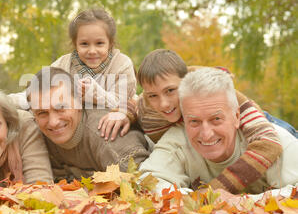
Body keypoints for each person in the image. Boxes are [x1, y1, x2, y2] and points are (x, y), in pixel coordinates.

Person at [112, 49, 286, 194]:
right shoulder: (147, 104)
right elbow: (137, 101)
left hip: (262, 123)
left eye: (171, 91)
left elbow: (269, 143)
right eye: (153, 96)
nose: (164, 103)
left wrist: (216, 191)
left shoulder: (225, 99)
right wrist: (123, 112)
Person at [138, 67, 298, 196]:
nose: (206, 134)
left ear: (236, 116)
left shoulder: (275, 139)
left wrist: (247, 202)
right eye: (194, 121)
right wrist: (198, 199)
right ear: (184, 120)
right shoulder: (177, 138)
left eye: (216, 120)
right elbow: (148, 180)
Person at [9, 8, 137, 133]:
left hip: (107, 128)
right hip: (70, 127)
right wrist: (6, 101)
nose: (92, 51)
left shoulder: (122, 64)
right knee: (24, 117)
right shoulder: (64, 63)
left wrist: (94, 93)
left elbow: (121, 103)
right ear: (75, 44)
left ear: (110, 43)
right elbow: (40, 93)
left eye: (99, 43)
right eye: (84, 44)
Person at [26, 66, 152, 182]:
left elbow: (146, 184)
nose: (53, 122)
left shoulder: (107, 134)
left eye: (61, 108)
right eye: (42, 112)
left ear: (79, 102)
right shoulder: (38, 138)